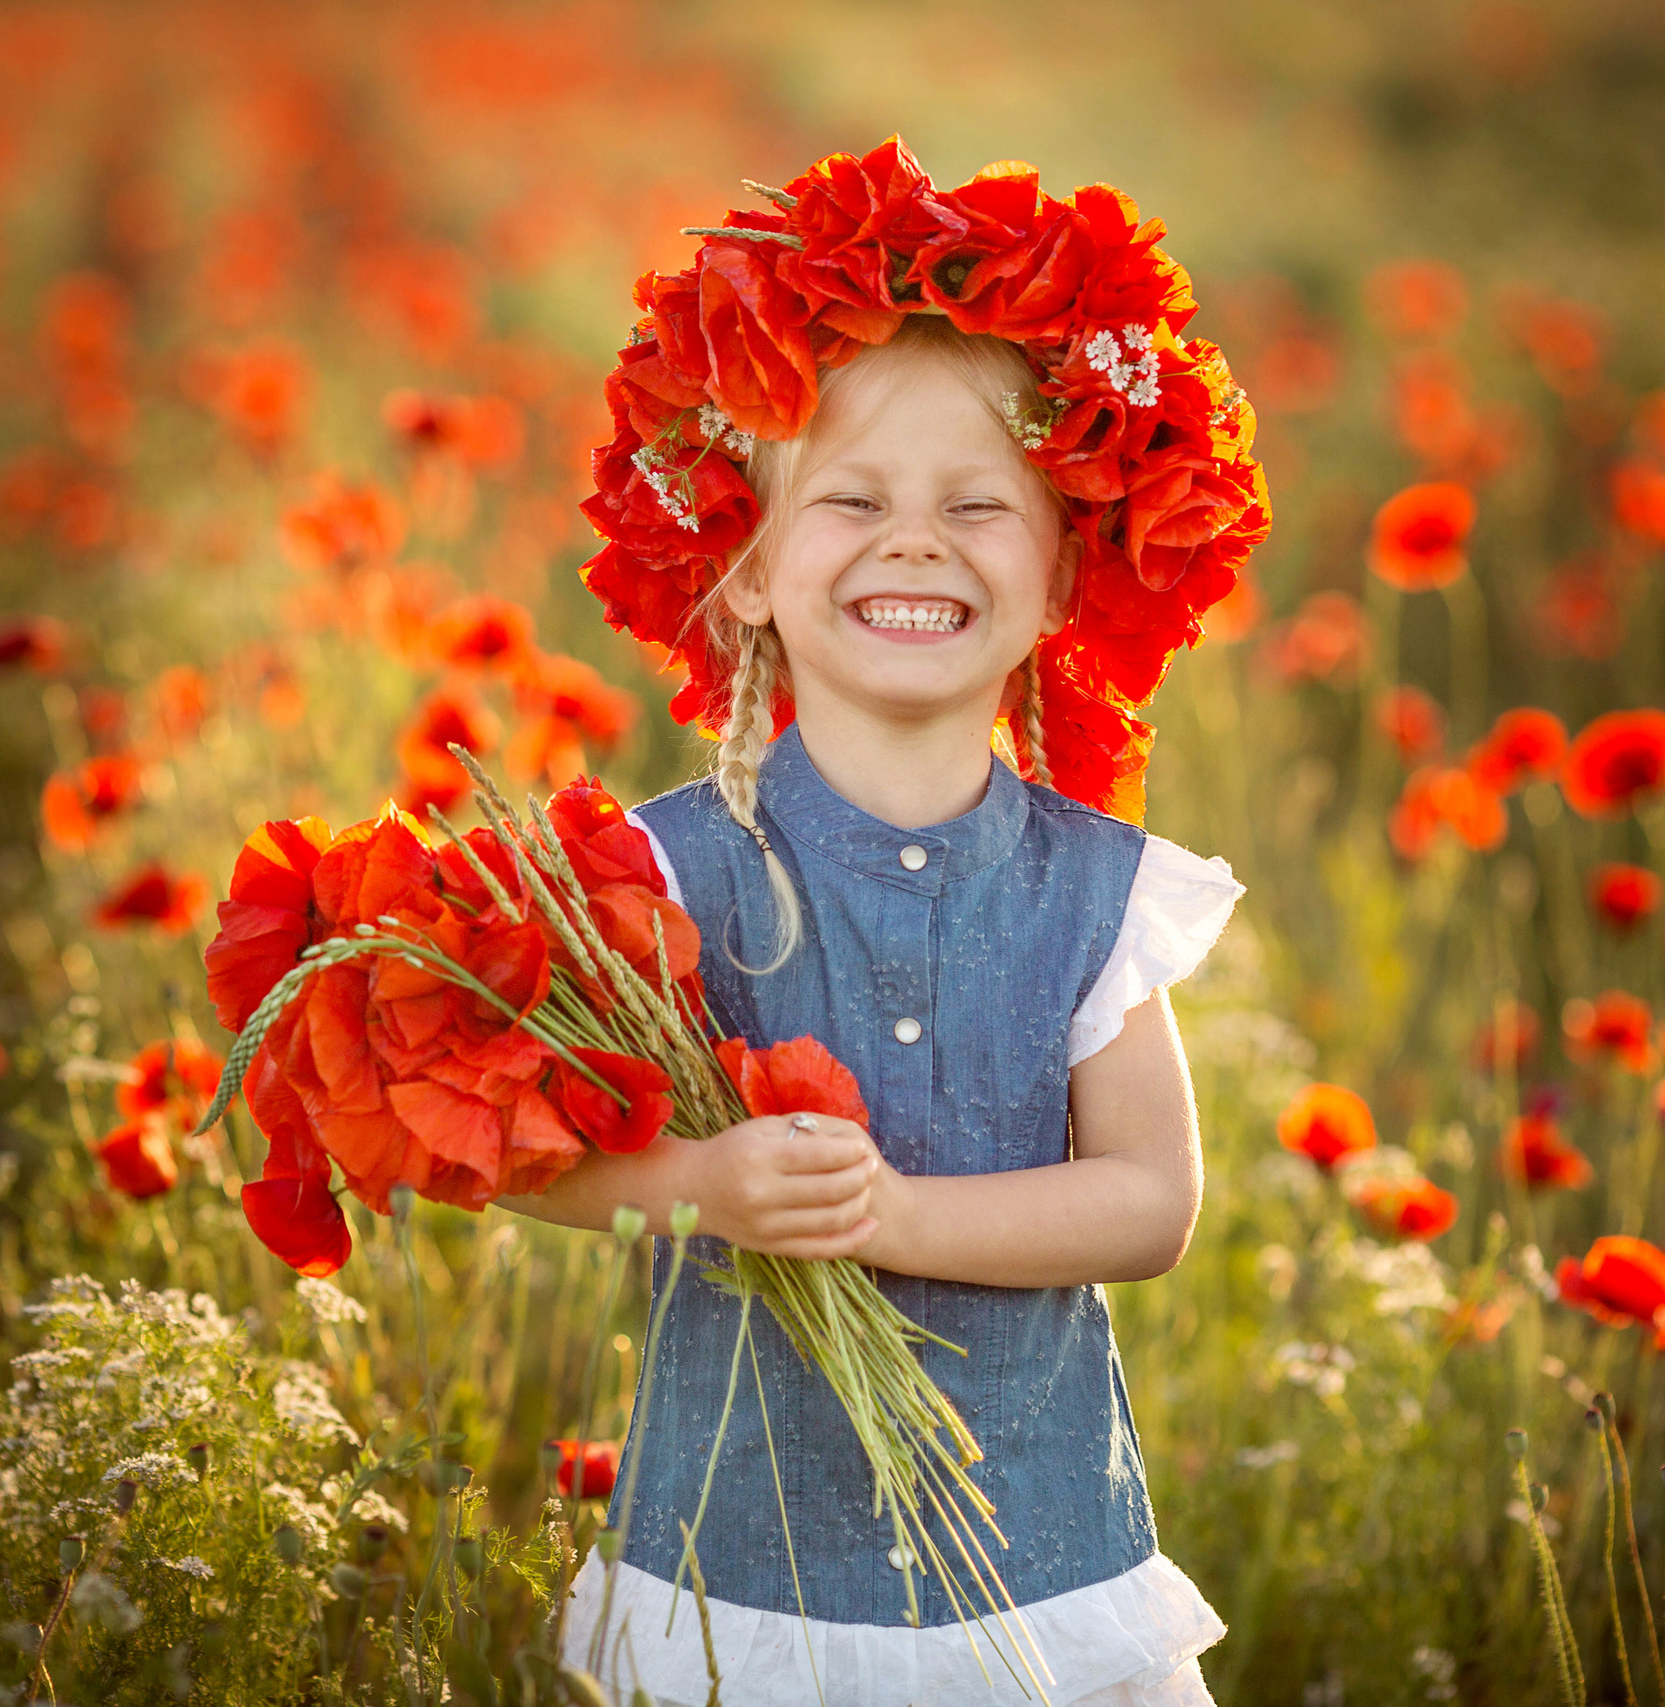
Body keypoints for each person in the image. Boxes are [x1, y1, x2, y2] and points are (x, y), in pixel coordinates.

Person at [496, 142, 1265, 1707]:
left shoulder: (1095, 890)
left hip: (1041, 1577)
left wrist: (895, 1224)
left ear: (1063, 578)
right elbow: (532, 1157)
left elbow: (1150, 1202)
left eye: (978, 507)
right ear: (754, 571)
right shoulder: (661, 878)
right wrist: (704, 1183)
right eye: (852, 500)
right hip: (744, 1582)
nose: (916, 541)